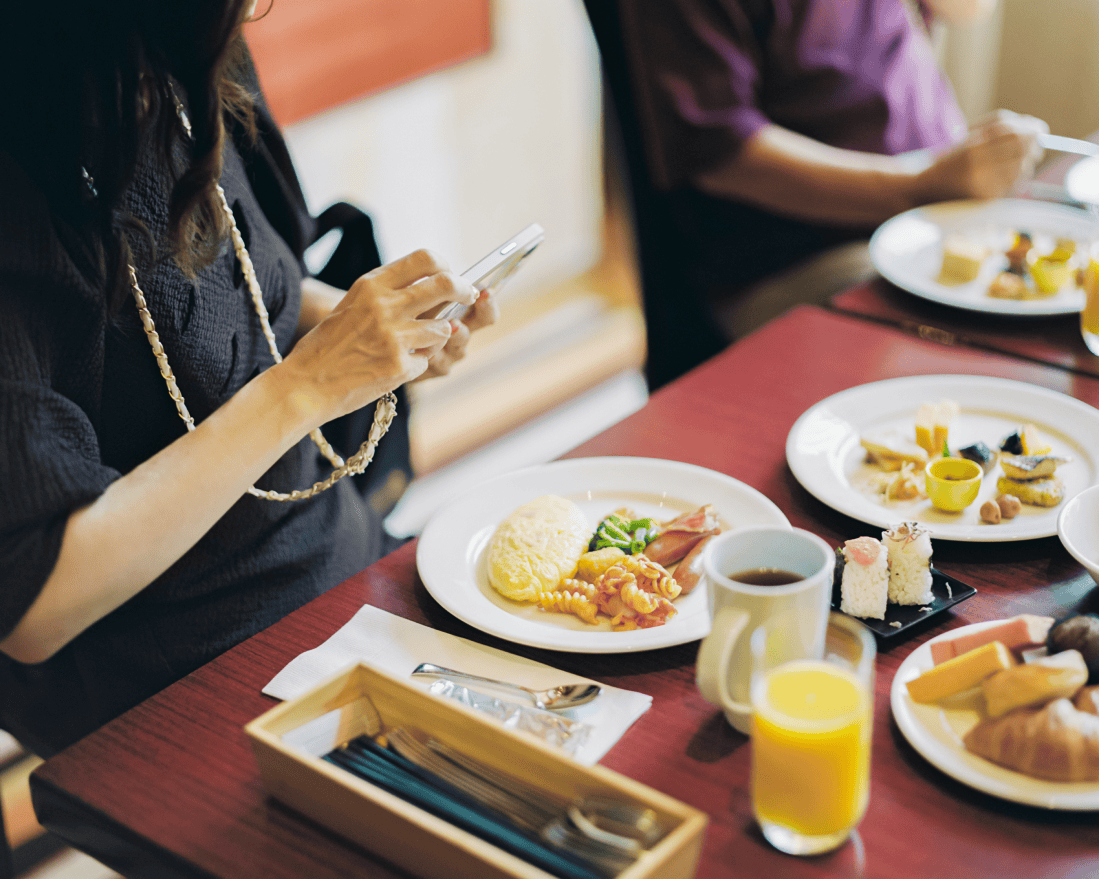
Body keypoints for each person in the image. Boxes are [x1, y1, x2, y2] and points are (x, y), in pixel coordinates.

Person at [0, 1, 494, 756]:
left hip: (342, 570)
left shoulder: (188, 56)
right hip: (184, 682)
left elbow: (251, 290)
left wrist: (387, 331)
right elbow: (33, 606)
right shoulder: (27, 178)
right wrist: (305, 387)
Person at [609, 0, 1046, 384]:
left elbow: (968, 8)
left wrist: (936, 187)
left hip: (935, 211)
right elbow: (720, 155)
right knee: (993, 374)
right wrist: (917, 188)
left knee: (1054, 326)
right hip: (805, 253)